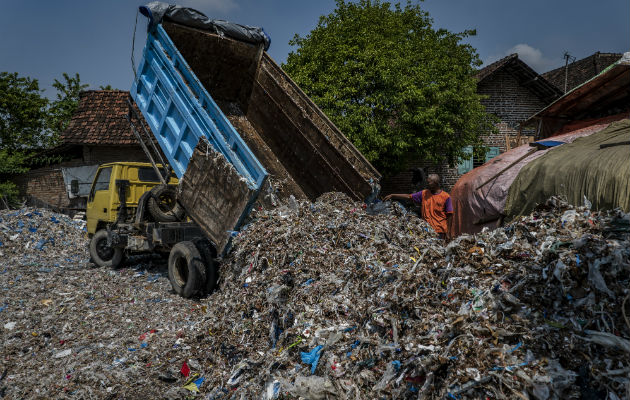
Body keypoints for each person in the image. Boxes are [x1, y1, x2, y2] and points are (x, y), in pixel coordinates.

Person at [384, 174, 453, 239]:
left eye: (429, 183)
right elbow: (409, 196)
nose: (427, 184)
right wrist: (393, 195)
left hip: (439, 230)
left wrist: (448, 232)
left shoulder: (446, 197)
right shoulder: (424, 193)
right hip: (426, 230)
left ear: (435, 183)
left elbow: (450, 215)